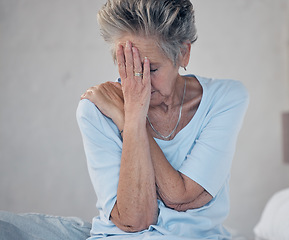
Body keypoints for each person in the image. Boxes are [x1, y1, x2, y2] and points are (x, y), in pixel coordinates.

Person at [0, 0, 248, 239]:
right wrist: (133, 119)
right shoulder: (95, 110)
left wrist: (128, 118)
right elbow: (135, 220)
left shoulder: (225, 98)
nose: (139, 84)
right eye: (128, 67)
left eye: (151, 70)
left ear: (183, 54)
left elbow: (178, 195)